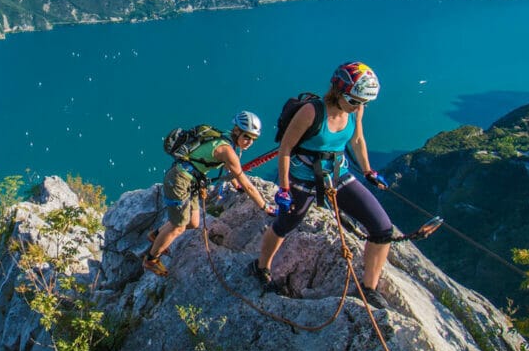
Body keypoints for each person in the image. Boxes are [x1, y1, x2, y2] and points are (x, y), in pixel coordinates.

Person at [251, 62, 394, 308]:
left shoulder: (355, 110)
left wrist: (368, 170)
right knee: (285, 224)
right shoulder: (311, 112)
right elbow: (285, 148)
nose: (359, 107)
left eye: (363, 103)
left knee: (382, 229)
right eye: (355, 100)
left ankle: (368, 289)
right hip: (304, 178)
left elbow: (357, 139)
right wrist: (284, 189)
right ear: (339, 91)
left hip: (338, 174)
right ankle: (261, 267)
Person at [143, 111, 277, 277]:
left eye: (253, 139)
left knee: (193, 222)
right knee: (178, 227)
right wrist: (265, 207)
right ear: (237, 131)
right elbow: (246, 184)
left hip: (189, 180)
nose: (249, 142)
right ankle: (151, 259)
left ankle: (156, 236)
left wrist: (235, 185)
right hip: (179, 180)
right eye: (247, 137)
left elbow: (231, 170)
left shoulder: (225, 138)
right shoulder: (227, 150)